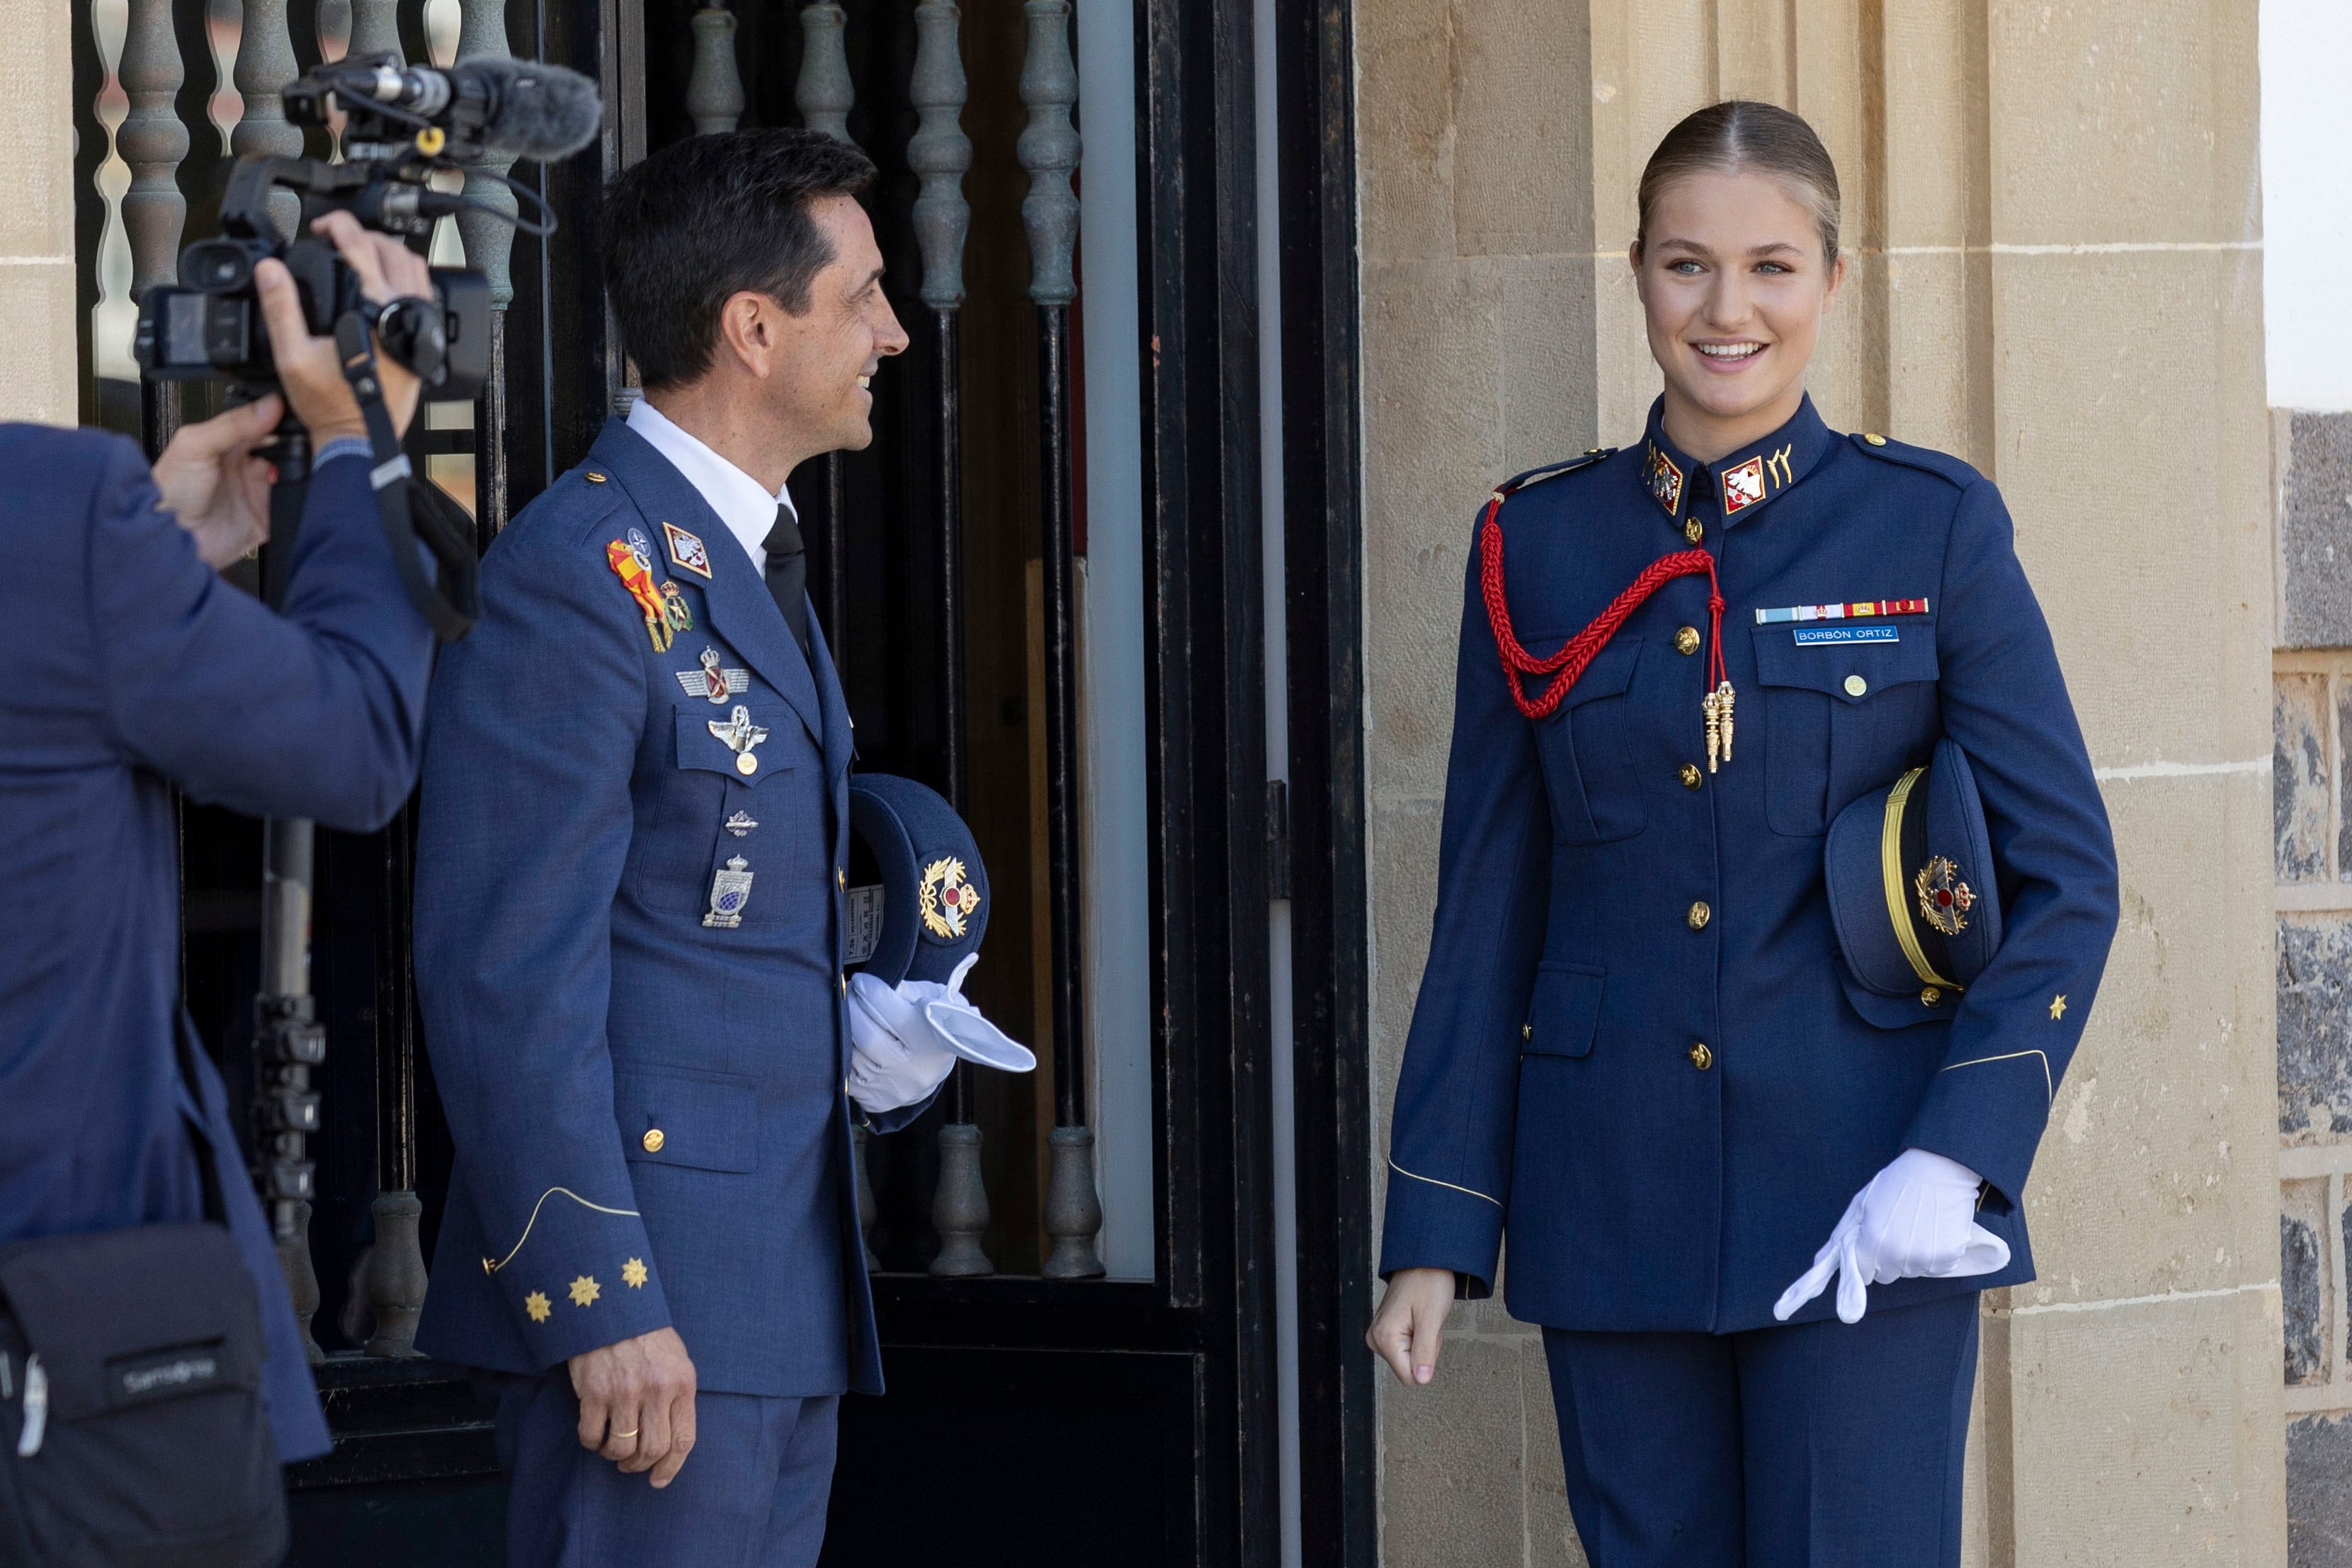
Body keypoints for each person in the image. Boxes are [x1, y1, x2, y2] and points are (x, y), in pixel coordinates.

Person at [1366, 100, 2119, 1567]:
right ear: (1635, 275)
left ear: (1831, 280)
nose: (1727, 310)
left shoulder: (1930, 530)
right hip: (1612, 1197)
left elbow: (2065, 880)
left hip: (1864, 1199)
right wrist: (1434, 1224)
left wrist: (1957, 1154)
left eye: (1770, 267)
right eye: (1683, 265)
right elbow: (1487, 902)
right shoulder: (1536, 543)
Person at [411, 129, 943, 1568]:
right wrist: (598, 1298)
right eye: (865, 298)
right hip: (651, 1316)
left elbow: (701, 925)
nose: (893, 332)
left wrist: (866, 1032)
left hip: (773, 1292)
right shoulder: (578, 576)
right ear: (753, 328)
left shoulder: (742, 559)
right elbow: (503, 972)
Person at [0, 211, 435, 1468]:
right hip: (67, 1385)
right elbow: (351, 744)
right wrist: (359, 443)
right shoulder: (47, 514)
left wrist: (138, 560)